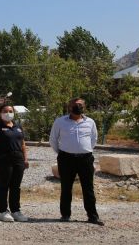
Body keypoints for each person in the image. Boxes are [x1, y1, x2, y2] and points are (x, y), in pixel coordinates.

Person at [49, 97, 104, 226]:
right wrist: (62, 153)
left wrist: (84, 150)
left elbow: (93, 139)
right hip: (66, 159)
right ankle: (65, 215)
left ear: (84, 107)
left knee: (88, 188)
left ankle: (93, 216)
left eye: (80, 105)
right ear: (69, 107)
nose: (77, 107)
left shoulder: (90, 122)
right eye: (75, 105)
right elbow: (53, 140)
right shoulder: (60, 122)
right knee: (66, 187)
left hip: (85, 159)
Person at [0, 104, 29, 222]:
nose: (8, 113)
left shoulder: (18, 126)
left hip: (18, 159)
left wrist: (25, 159)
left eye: (10, 111)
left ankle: (16, 210)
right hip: (3, 159)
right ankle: (3, 211)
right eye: (5, 111)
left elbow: (23, 144)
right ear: (0, 113)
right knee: (3, 186)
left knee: (16, 186)